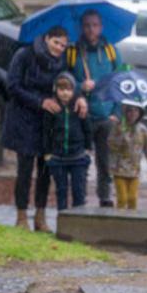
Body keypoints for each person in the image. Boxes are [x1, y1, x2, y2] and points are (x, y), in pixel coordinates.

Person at [2, 25, 88, 232]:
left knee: (46, 170)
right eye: (56, 42)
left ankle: (40, 217)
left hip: (48, 123)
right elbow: (12, 86)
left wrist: (80, 96)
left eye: (63, 45)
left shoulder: (62, 61)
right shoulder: (24, 55)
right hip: (23, 119)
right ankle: (21, 216)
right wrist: (40, 101)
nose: (60, 48)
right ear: (46, 38)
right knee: (24, 170)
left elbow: (66, 86)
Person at [68, 9, 123, 207]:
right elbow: (63, 82)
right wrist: (80, 87)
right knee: (79, 160)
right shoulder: (73, 52)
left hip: (106, 116)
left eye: (95, 25)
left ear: (101, 27)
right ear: (82, 28)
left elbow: (121, 82)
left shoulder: (111, 51)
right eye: (87, 25)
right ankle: (79, 196)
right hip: (81, 115)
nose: (91, 29)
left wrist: (116, 113)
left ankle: (105, 196)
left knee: (105, 161)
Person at [42, 72, 92, 211]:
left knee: (79, 191)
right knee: (61, 191)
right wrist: (47, 153)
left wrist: (88, 148)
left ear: (74, 90)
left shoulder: (79, 107)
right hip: (58, 157)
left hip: (78, 156)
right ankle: (62, 221)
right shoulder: (52, 109)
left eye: (69, 90)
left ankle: (79, 222)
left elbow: (87, 128)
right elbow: (46, 132)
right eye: (61, 89)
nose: (65, 93)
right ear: (56, 90)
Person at [107, 102, 147, 209]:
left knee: (132, 198)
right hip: (119, 169)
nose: (133, 114)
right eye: (130, 111)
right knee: (122, 198)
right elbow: (111, 145)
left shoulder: (142, 130)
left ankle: (132, 221)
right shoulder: (118, 127)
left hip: (134, 170)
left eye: (136, 111)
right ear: (125, 112)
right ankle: (120, 218)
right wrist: (120, 135)